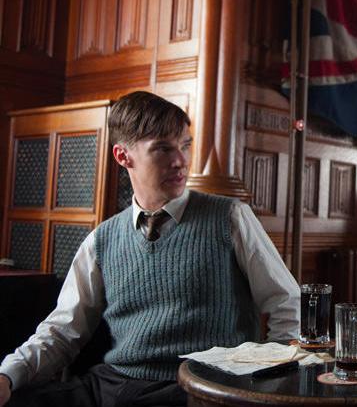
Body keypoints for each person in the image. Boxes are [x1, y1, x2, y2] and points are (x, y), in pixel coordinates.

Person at [0, 91, 301, 406]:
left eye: (185, 145)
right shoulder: (101, 240)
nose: (181, 160)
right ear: (123, 156)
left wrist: (265, 379)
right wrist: (7, 375)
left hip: (198, 388)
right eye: (163, 148)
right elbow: (62, 331)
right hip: (113, 384)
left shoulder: (230, 218)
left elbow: (288, 303)